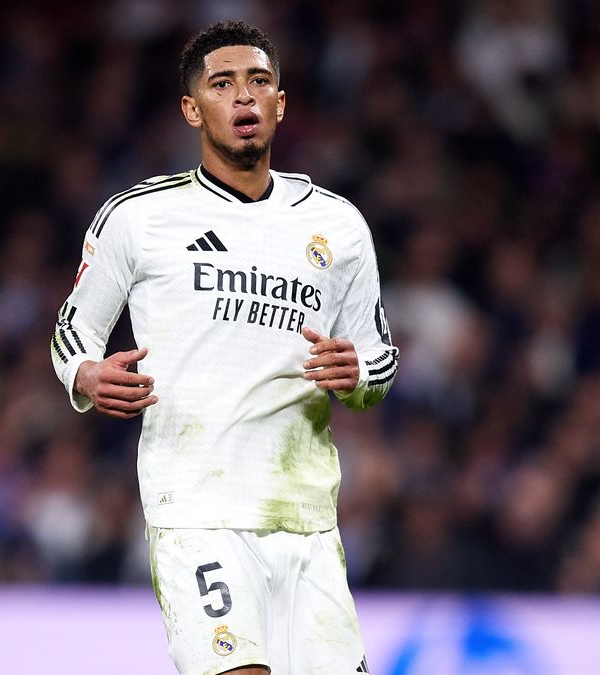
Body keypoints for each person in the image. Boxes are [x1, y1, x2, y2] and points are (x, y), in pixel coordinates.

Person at [50, 20, 397, 674]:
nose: (244, 97)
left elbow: (379, 362)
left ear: (281, 103)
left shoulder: (339, 226)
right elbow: (74, 331)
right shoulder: (138, 217)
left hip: (307, 520)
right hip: (196, 510)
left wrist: (356, 374)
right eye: (223, 84)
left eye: (259, 82)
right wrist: (87, 375)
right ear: (192, 108)